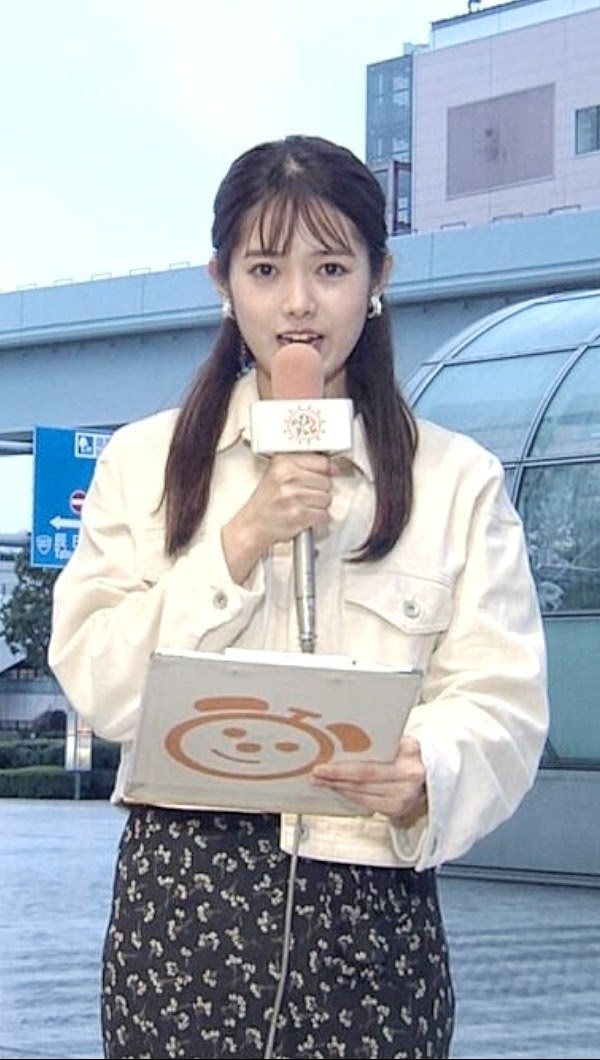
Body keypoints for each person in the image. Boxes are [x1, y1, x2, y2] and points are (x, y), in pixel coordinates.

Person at [48, 133, 549, 1060]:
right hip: (186, 906)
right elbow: (99, 683)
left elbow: (504, 702)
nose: (298, 304)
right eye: (265, 269)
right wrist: (240, 541)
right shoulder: (144, 463)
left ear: (378, 277)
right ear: (222, 282)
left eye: (331, 268)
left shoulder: (456, 480)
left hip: (374, 903)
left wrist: (428, 771)